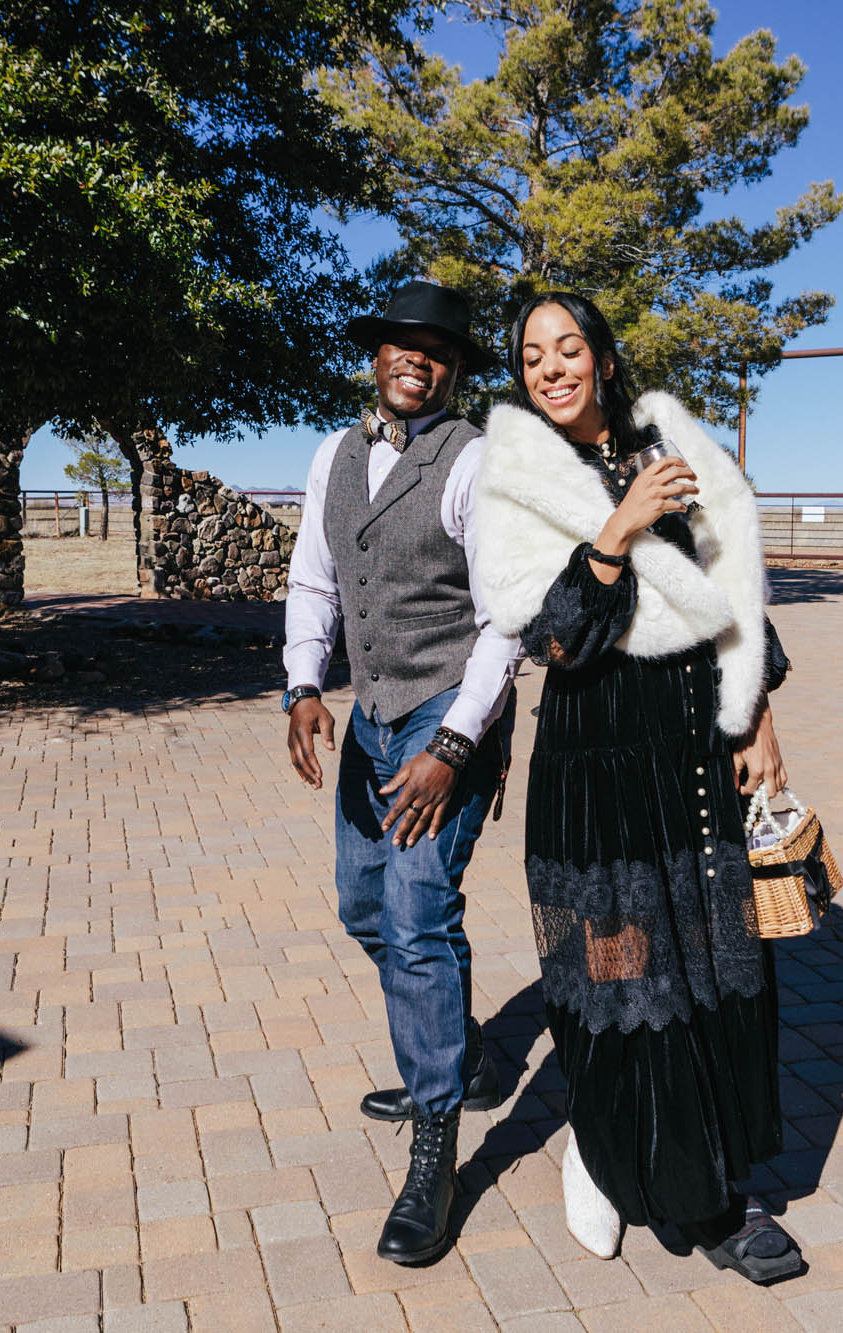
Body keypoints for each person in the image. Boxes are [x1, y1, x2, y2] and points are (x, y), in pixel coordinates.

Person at [471, 291, 803, 1283]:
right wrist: (615, 530)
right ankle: (647, 1166)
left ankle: (706, 1172)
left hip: (692, 748)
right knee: (625, 974)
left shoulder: (669, 448)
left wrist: (758, 714)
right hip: (598, 765)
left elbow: (731, 586)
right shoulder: (515, 484)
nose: (551, 367)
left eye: (568, 347)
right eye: (533, 356)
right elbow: (553, 638)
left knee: (711, 968)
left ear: (604, 360)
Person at [280, 280, 522, 1265]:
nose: (416, 358)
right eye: (400, 344)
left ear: (453, 369)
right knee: (363, 905)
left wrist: (454, 746)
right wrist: (303, 684)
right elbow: (315, 577)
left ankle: (435, 1142)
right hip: (373, 713)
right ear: (376, 356)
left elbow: (504, 621)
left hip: (451, 710)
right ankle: (456, 1052)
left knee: (419, 915)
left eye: (437, 349)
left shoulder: (476, 462)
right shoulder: (332, 456)